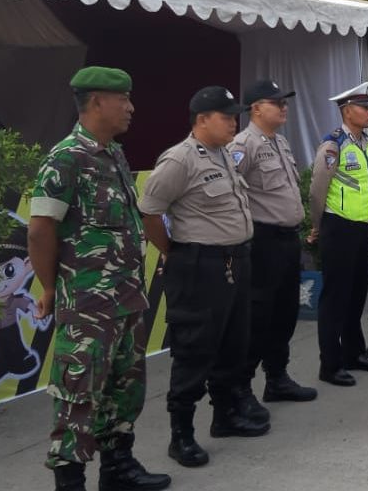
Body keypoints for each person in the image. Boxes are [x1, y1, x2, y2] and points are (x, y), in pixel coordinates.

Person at [28, 66, 170, 491]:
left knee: (124, 387)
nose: (130, 108)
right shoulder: (65, 158)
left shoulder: (114, 154)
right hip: (89, 305)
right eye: (122, 99)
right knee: (78, 393)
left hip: (126, 299)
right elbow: (39, 230)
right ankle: (70, 482)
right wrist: (52, 288)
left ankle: (118, 468)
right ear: (95, 103)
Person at [139, 86, 267, 469]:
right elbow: (149, 211)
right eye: (226, 116)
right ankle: (182, 435)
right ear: (201, 119)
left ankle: (225, 416)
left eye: (234, 116)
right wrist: (173, 251)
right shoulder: (180, 160)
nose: (234, 122)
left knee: (233, 343)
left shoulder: (224, 154)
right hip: (199, 267)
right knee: (195, 349)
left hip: (234, 262)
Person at [228, 79, 318, 430]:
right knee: (258, 316)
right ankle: (242, 389)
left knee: (284, 312)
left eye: (285, 101)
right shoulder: (242, 145)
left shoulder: (279, 142)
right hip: (262, 241)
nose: (283, 107)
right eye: (275, 102)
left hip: (287, 239)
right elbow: (230, 193)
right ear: (255, 109)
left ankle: (277, 378)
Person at [308, 82, 368, 387]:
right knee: (335, 298)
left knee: (356, 296)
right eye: (364, 108)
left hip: (362, 226)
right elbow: (317, 191)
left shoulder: (367, 144)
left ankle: (356, 353)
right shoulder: (333, 145)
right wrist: (318, 225)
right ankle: (330, 363)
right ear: (346, 111)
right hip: (338, 227)